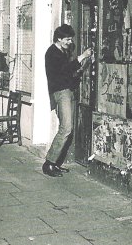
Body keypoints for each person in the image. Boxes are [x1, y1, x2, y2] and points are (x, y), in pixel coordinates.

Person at [42, 24, 92, 177]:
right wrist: (82, 57)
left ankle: (56, 163)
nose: (70, 42)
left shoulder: (61, 52)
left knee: (67, 129)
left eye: (70, 39)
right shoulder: (52, 53)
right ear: (59, 38)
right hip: (61, 93)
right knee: (66, 128)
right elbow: (63, 70)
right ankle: (49, 164)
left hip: (67, 91)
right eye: (67, 39)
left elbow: (66, 72)